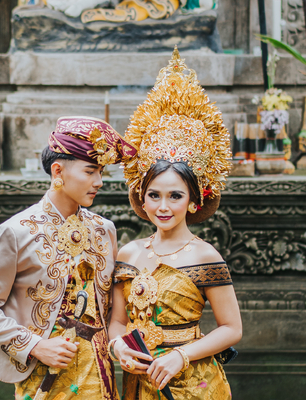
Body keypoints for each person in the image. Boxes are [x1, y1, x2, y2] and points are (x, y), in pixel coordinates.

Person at [0, 116, 136, 400]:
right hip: (44, 374)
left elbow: (113, 309)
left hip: (100, 372)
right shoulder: (16, 232)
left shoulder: (104, 230)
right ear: (58, 170)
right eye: (90, 171)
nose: (99, 182)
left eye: (101, 172)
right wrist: (34, 345)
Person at [107, 48, 242, 399]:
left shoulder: (204, 255)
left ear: (194, 200)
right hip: (139, 379)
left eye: (175, 196)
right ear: (141, 196)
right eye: (154, 195)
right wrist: (119, 347)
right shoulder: (130, 252)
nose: (163, 207)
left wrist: (182, 355)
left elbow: (231, 328)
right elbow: (117, 322)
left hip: (193, 382)